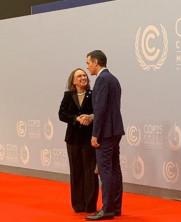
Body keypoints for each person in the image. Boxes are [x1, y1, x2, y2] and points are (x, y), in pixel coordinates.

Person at [85, 50, 125, 221]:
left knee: (105, 170)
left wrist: (95, 134)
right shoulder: (113, 79)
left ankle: (107, 209)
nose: (87, 67)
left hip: (106, 132)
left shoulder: (101, 80)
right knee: (115, 168)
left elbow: (100, 110)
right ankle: (115, 207)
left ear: (95, 62)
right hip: (115, 130)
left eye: (88, 63)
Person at [59, 68, 99, 213]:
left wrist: (90, 117)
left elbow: (99, 112)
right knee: (76, 171)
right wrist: (76, 118)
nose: (83, 77)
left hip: (89, 139)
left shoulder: (93, 94)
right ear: (73, 81)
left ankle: (90, 205)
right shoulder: (68, 95)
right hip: (73, 139)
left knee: (90, 172)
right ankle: (78, 205)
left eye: (84, 75)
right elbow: (62, 114)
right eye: (79, 76)